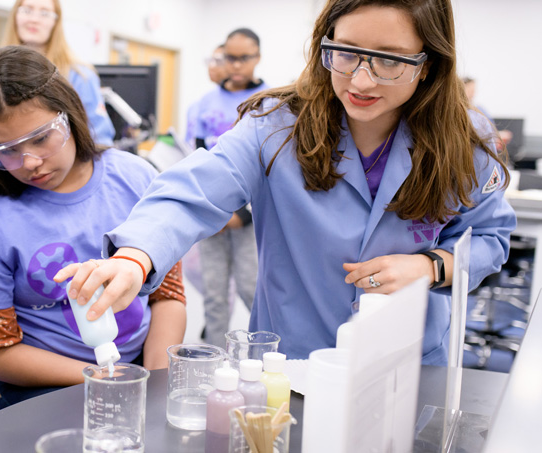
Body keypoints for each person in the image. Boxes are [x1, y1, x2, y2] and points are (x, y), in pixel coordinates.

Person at [57, 0, 516, 367]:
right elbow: (192, 192)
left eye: (389, 63)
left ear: (428, 65)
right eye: (346, 52)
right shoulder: (275, 127)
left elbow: (490, 238)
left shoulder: (464, 138)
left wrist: (433, 266)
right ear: (325, 43)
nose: (360, 78)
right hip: (293, 367)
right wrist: (136, 255)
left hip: (411, 362)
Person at [0, 45, 186, 414]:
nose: (30, 162)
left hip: (137, 372)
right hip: (37, 384)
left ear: (70, 115)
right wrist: (102, 376)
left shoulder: (134, 177)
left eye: (40, 139)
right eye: (6, 150)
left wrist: (155, 381)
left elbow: (168, 294)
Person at [186, 29, 267, 347]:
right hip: (213, 214)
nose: (235, 65)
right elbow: (199, 160)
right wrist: (214, 210)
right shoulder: (204, 105)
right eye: (228, 58)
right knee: (215, 292)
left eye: (243, 58)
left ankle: (266, 351)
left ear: (257, 57)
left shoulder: (270, 101)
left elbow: (271, 165)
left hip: (251, 216)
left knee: (251, 286)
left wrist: (243, 214)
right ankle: (215, 361)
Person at [3, 0, 116, 146]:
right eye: (27, 10)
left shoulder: (80, 76)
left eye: (44, 13)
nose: (34, 19)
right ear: (15, 15)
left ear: (56, 21)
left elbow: (100, 139)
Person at [463, 77, 513, 152]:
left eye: (473, 90)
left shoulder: (480, 109)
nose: (472, 93)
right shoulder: (461, 112)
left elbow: (491, 129)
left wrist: (498, 136)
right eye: (470, 90)